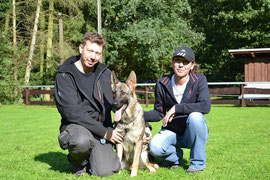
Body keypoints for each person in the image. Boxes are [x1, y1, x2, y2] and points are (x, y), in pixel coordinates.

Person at [54, 32, 124, 177]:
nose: (93, 57)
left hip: (101, 130)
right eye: (90, 51)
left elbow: (120, 102)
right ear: (81, 48)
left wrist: (144, 127)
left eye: (98, 53)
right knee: (82, 141)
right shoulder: (65, 75)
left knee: (106, 171)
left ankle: (92, 159)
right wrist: (105, 132)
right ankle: (78, 162)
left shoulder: (105, 74)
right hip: (77, 127)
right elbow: (71, 112)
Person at [144, 46, 211, 173]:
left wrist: (177, 108)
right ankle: (176, 158)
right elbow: (158, 113)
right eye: (177, 60)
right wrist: (137, 115)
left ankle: (197, 164)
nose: (181, 65)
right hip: (171, 131)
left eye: (185, 62)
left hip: (193, 133)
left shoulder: (199, 80)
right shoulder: (162, 82)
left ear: (192, 65)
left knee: (196, 116)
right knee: (154, 148)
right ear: (172, 63)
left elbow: (205, 106)